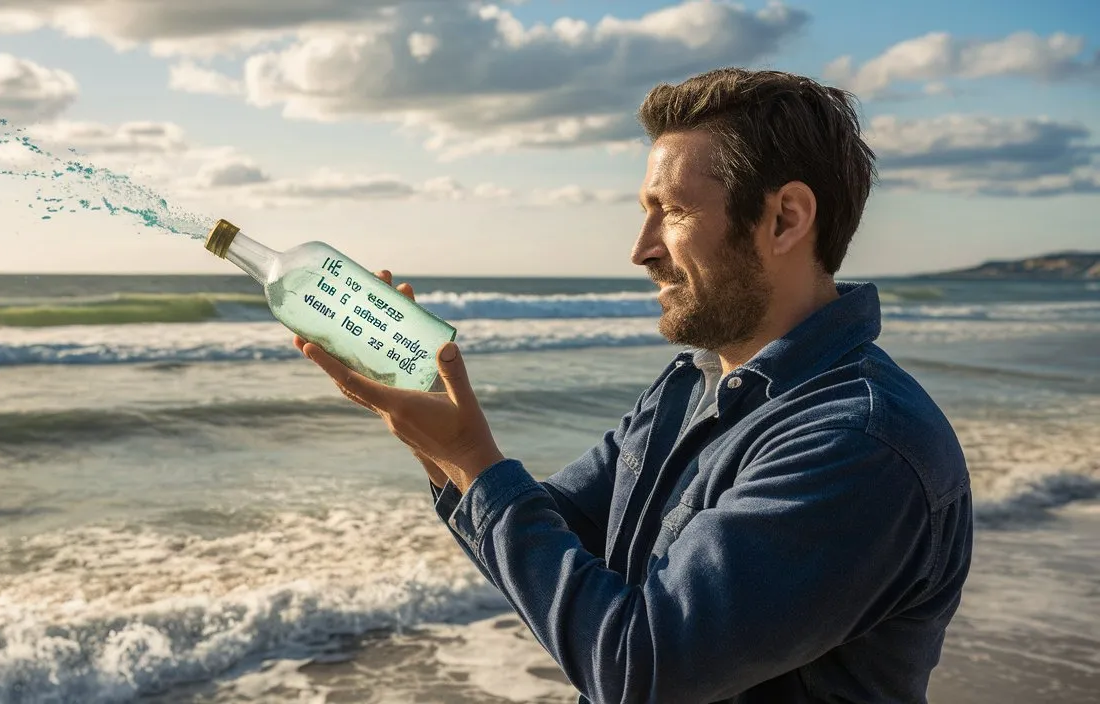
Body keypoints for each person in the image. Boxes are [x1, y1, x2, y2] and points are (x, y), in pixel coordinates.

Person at [294, 68, 974, 704]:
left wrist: (475, 461)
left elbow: (641, 670)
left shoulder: (858, 443)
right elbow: (552, 533)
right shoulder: (693, 386)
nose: (641, 248)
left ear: (785, 219)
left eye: (671, 211)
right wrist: (439, 444)